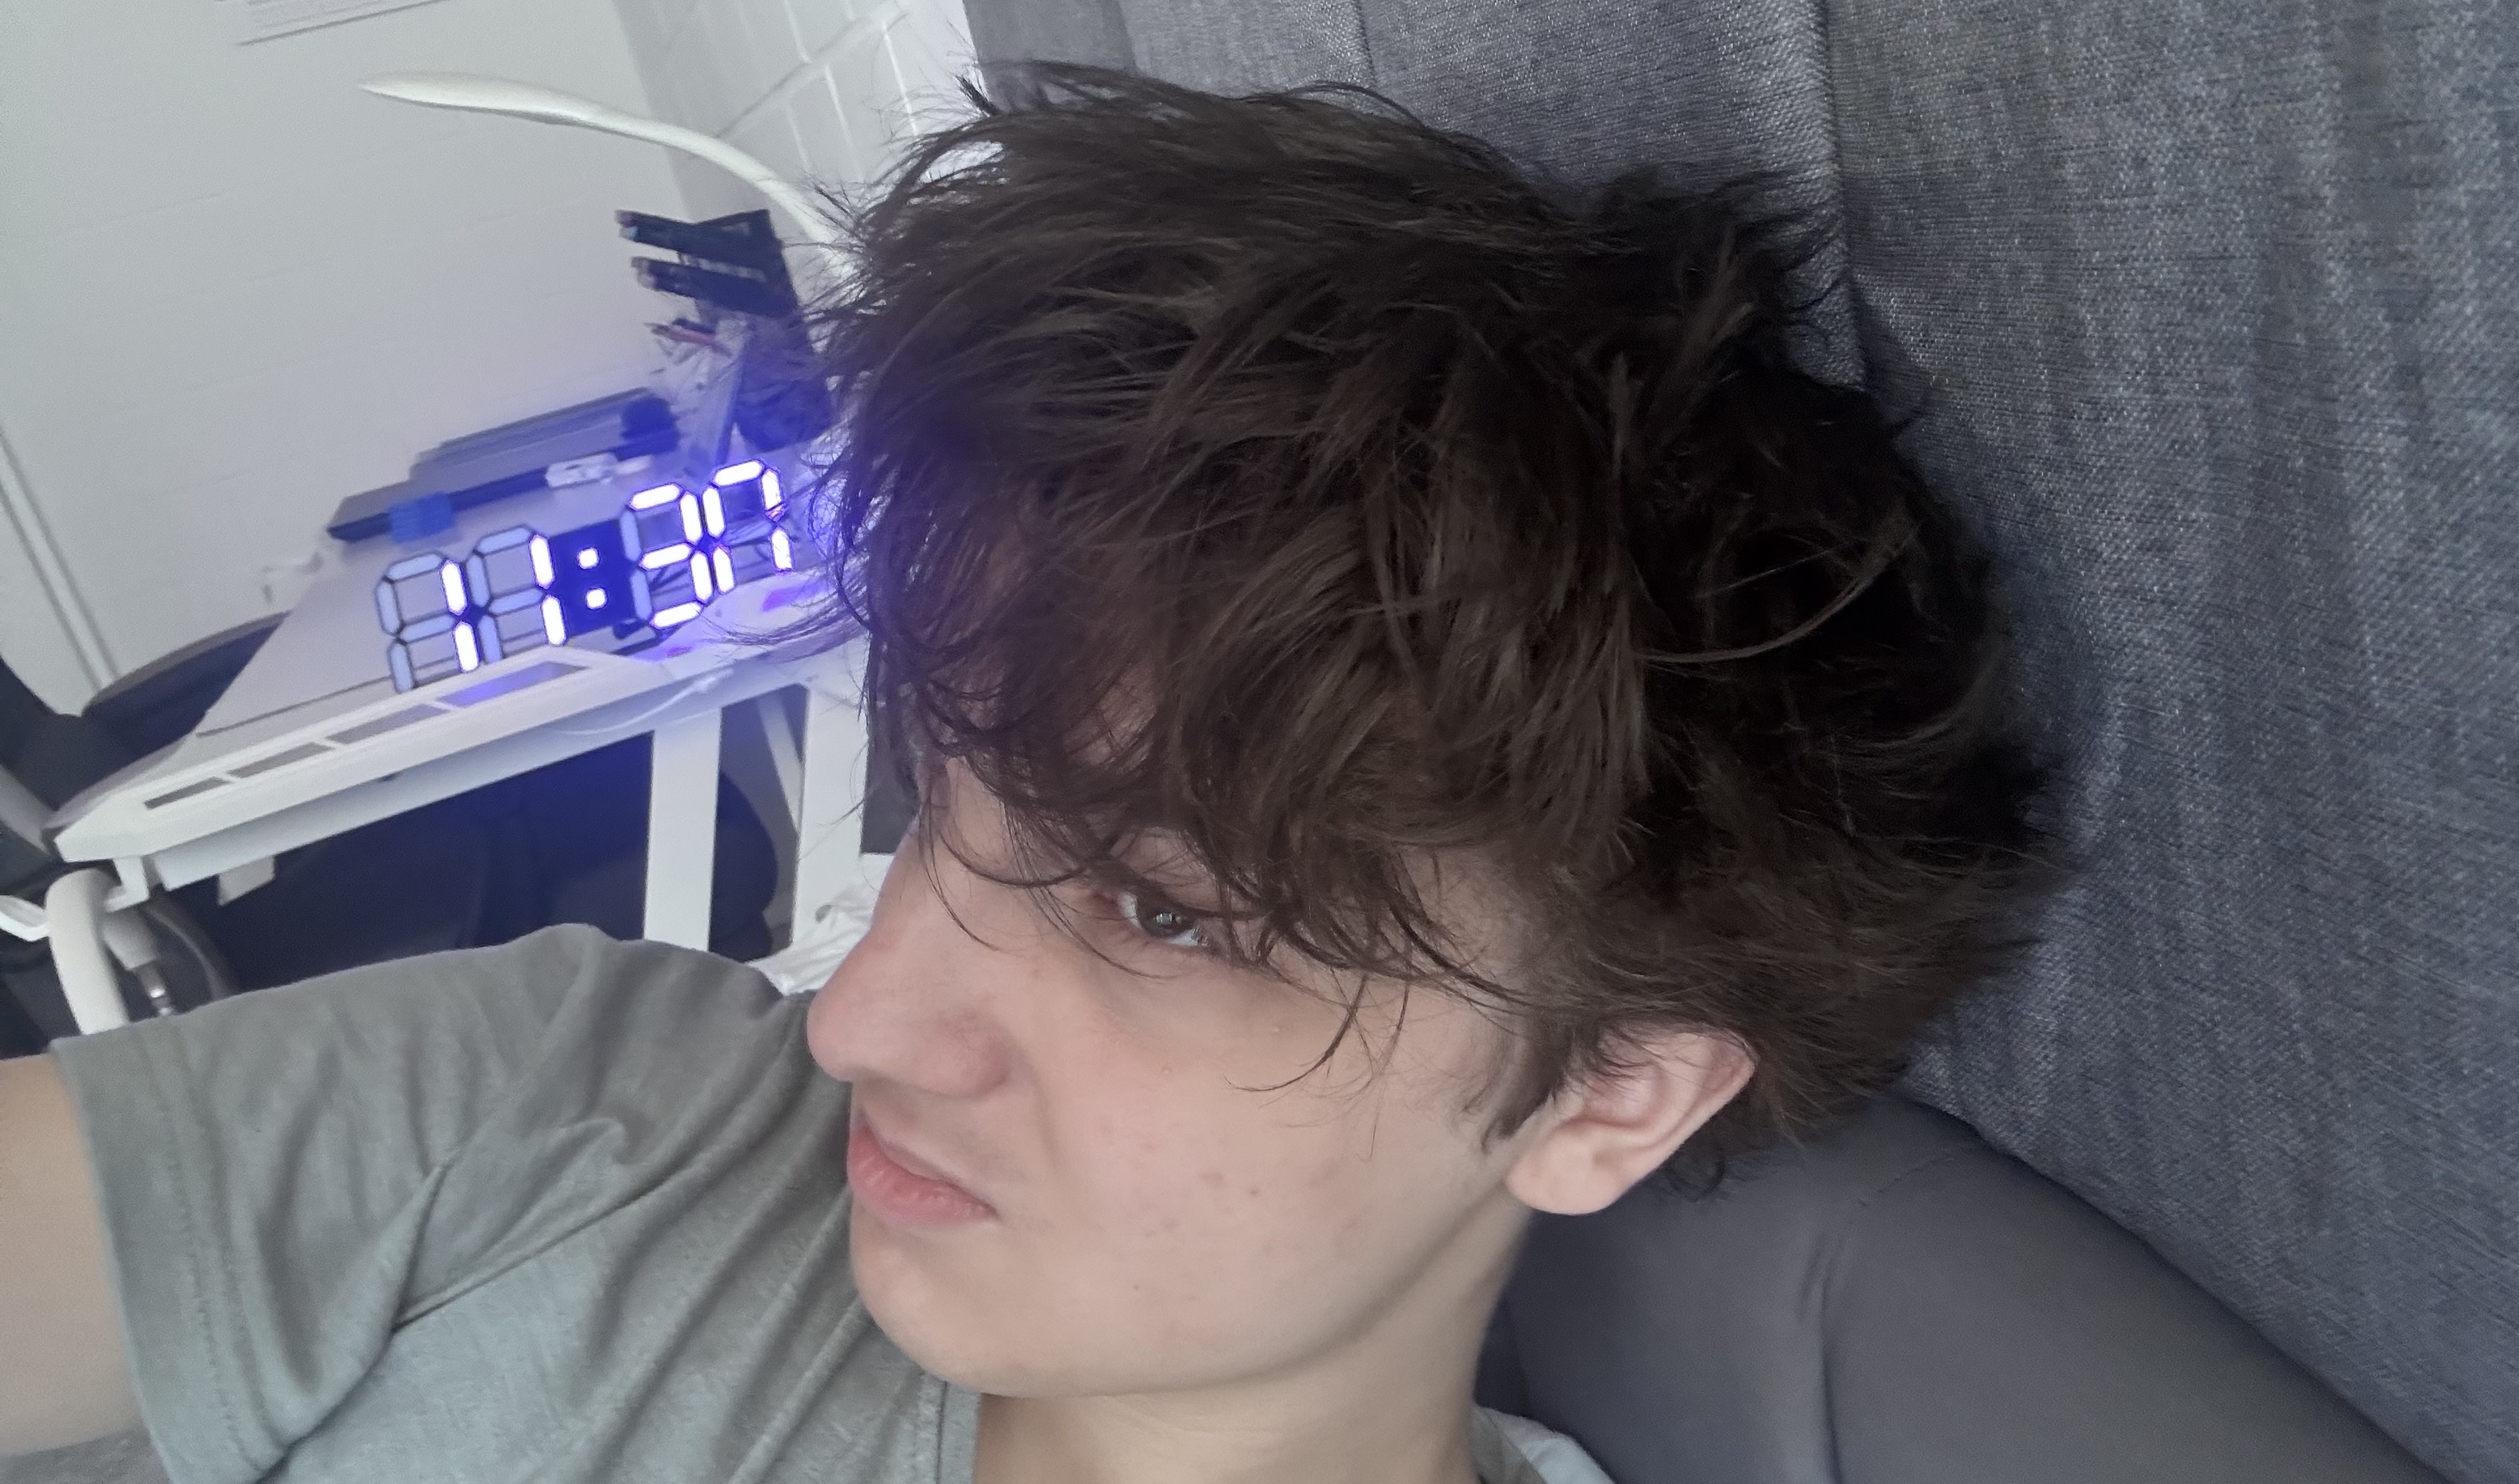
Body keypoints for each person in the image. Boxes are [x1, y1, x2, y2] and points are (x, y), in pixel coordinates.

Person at [0, 63, 2060, 1484]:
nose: (857, 1020)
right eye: (929, 796)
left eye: (1157, 908)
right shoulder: (576, 1106)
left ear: (1610, 1089)